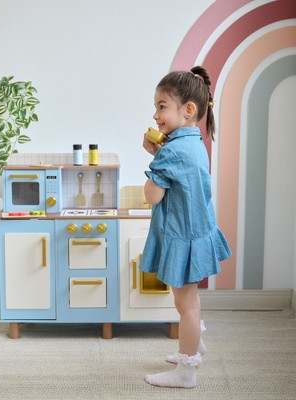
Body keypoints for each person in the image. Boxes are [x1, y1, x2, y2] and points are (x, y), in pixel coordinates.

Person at [140, 66, 231, 389]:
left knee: (186, 305)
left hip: (183, 236)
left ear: (188, 109)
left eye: (162, 106)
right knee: (188, 301)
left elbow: (152, 196)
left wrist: (155, 160)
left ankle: (186, 372)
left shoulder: (173, 151)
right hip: (195, 232)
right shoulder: (192, 142)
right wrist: (162, 154)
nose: (155, 115)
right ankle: (195, 344)